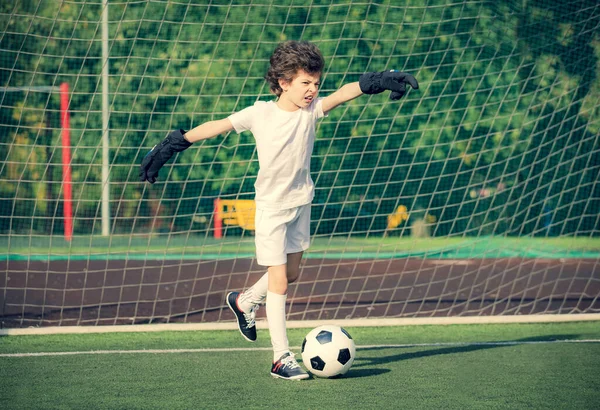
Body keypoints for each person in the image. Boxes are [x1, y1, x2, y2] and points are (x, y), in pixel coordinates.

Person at [140, 40, 418, 380]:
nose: (313, 90)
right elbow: (217, 126)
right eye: (305, 83)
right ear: (283, 82)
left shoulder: (311, 110)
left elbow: (342, 94)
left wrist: (375, 81)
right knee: (279, 283)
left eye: (316, 83)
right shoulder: (260, 113)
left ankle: (244, 302)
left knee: (292, 273)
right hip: (271, 209)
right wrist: (171, 145)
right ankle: (280, 357)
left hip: (301, 204)